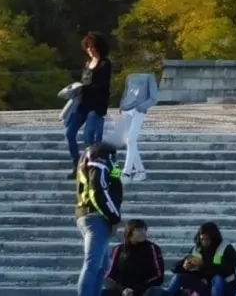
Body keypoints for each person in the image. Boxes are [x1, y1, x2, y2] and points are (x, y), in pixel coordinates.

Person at [75, 141, 124, 296]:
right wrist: (114, 217)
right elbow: (98, 191)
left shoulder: (92, 157)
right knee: (93, 263)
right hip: (96, 216)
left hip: (91, 215)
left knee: (102, 265)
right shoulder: (100, 158)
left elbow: (110, 183)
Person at [67, 32, 114, 168]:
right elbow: (84, 81)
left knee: (89, 136)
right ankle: (77, 162)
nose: (90, 50)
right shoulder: (88, 63)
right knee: (70, 133)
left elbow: (103, 86)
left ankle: (92, 165)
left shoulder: (105, 63)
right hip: (82, 103)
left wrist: (85, 88)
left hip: (97, 105)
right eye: (88, 48)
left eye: (92, 47)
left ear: (99, 47)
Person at [163, 222, 236, 296]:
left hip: (225, 286)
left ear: (214, 238)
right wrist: (184, 266)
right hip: (203, 284)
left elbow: (226, 269)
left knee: (217, 279)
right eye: (202, 239)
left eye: (207, 239)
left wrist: (203, 265)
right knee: (178, 276)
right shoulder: (197, 249)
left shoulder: (226, 248)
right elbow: (175, 267)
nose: (204, 242)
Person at [104, 218, 165, 296]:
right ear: (130, 232)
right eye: (139, 230)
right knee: (104, 293)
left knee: (155, 291)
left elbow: (159, 275)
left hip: (145, 289)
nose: (143, 232)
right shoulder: (118, 249)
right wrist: (123, 289)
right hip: (123, 290)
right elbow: (111, 274)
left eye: (144, 230)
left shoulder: (153, 248)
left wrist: (136, 290)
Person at [117, 71, 159, 183]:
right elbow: (126, 92)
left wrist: (141, 107)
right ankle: (141, 171)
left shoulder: (149, 77)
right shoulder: (129, 77)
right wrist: (121, 106)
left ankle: (126, 172)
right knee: (129, 141)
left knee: (131, 140)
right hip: (126, 109)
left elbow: (154, 98)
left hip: (138, 111)